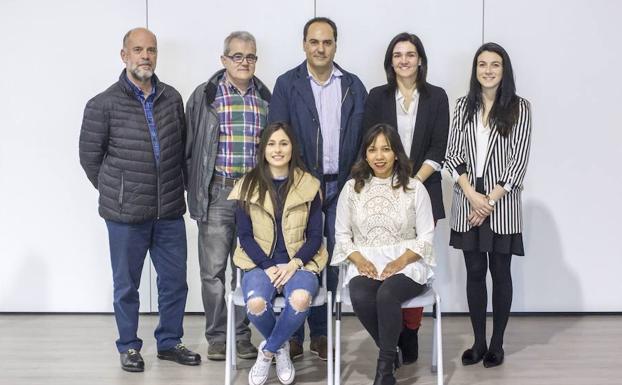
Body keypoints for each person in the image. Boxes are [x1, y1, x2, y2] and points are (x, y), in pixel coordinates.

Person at [79, 27, 200, 372]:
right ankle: (129, 346)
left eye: (151, 50)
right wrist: (115, 191)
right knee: (126, 285)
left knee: (175, 281)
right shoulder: (103, 104)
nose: (145, 56)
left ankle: (169, 341)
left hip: (169, 211)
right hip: (125, 214)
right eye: (138, 50)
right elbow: (90, 157)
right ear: (124, 56)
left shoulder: (172, 98)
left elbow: (181, 151)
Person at [268, 16, 367, 361]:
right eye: (314, 41)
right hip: (300, 190)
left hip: (343, 188)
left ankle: (321, 334)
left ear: (335, 45)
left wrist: (352, 182)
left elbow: (364, 142)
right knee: (298, 258)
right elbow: (278, 138)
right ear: (304, 44)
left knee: (333, 262)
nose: (320, 48)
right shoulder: (287, 84)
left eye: (327, 42)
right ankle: (294, 334)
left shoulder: (354, 85)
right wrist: (306, 186)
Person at [363, 32, 449, 364]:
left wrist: (410, 184)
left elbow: (438, 148)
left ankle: (410, 331)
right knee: (389, 260)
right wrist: (391, 183)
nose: (404, 60)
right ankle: (393, 330)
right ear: (390, 62)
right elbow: (370, 143)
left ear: (420, 60)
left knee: (415, 260)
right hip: (383, 193)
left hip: (423, 192)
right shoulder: (377, 97)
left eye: (410, 54)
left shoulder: (437, 97)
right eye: (397, 55)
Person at [444, 42, 532, 368]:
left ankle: (497, 344)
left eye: (495, 64)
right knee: (475, 272)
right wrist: (470, 194)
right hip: (468, 198)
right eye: (482, 64)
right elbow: (451, 155)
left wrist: (488, 201)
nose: (488, 70)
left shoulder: (519, 108)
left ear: (504, 70)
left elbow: (518, 163)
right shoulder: (462, 106)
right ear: (475, 69)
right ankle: (479, 342)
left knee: (500, 272)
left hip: (501, 201)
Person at [185, 31, 271, 361]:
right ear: (224, 60)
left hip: (254, 195)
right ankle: (218, 337)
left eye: (250, 57)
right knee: (213, 271)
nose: (244, 62)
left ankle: (241, 334)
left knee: (249, 269)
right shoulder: (205, 96)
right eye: (237, 56)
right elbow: (190, 150)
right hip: (218, 190)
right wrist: (196, 191)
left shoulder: (265, 97)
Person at [332, 124, 435, 385]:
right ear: (365, 155)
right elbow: (342, 236)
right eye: (372, 149)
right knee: (360, 294)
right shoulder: (351, 189)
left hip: (407, 261)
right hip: (366, 260)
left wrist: (400, 261)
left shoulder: (414, 188)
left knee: (387, 294)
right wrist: (359, 260)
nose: (379, 156)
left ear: (396, 154)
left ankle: (384, 370)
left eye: (386, 149)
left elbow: (426, 237)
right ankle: (393, 349)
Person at [228, 122, 328, 385]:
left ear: (292, 147)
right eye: (271, 144)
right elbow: (245, 236)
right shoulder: (247, 185)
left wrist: (294, 264)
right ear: (263, 149)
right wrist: (267, 265)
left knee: (300, 299)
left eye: (283, 143)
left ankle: (268, 351)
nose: (278, 149)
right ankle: (281, 347)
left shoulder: (309, 185)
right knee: (256, 304)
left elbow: (316, 236)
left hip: (300, 263)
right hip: (260, 264)